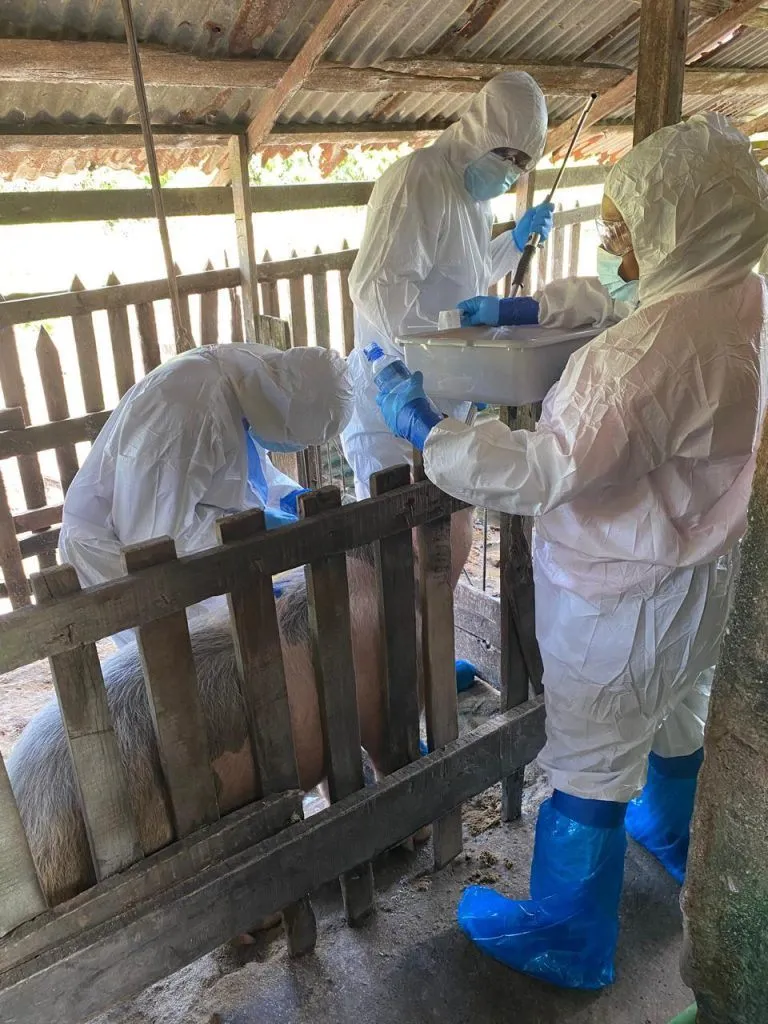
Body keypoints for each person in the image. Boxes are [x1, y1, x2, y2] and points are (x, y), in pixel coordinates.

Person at [374, 112, 768, 989]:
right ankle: (670, 832)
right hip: (703, 575)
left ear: (679, 232)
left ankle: (568, 936)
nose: (614, 248)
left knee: (592, 755)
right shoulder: (744, 296)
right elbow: (636, 299)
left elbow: (541, 471)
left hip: (620, 597)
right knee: (676, 711)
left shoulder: (633, 365)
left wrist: (431, 430)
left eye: (627, 232)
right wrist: (530, 307)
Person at [341, 70, 551, 500]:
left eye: (522, 162)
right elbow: (377, 288)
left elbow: (464, 277)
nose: (511, 168)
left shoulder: (476, 202)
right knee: (392, 524)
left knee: (448, 519)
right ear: (478, 129)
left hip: (445, 395)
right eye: (505, 153)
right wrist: (456, 350)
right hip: (393, 394)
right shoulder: (419, 177)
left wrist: (513, 244)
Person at [59, 343, 352, 644]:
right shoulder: (189, 412)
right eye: (295, 436)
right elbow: (153, 536)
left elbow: (244, 470)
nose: (298, 447)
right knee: (187, 656)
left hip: (180, 549)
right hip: (118, 555)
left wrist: (288, 497)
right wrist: (252, 530)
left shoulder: (258, 383)